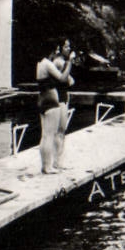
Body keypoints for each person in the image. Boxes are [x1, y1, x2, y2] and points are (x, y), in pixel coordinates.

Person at [36, 45, 74, 175]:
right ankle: (48, 167)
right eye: (56, 50)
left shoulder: (40, 64)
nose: (57, 53)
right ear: (51, 51)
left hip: (42, 99)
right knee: (49, 135)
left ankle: (46, 165)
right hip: (51, 101)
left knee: (45, 135)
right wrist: (69, 63)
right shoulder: (47, 64)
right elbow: (63, 79)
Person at [54, 39, 76, 169]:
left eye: (69, 46)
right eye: (66, 47)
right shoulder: (59, 62)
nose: (69, 49)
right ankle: (57, 162)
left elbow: (70, 80)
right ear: (60, 48)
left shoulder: (62, 62)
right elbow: (68, 80)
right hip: (59, 99)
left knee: (62, 131)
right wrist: (71, 62)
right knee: (60, 131)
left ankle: (59, 161)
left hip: (63, 97)